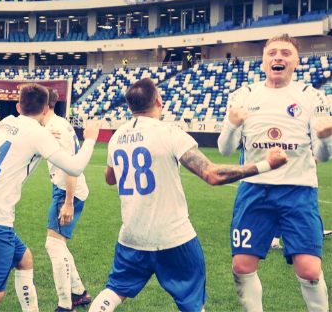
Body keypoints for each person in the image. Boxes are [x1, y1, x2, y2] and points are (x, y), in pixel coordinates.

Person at [91, 78, 289, 312]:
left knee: (114, 290)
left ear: (129, 106)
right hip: (174, 237)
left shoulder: (117, 136)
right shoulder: (169, 132)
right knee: (192, 304)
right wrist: (266, 164)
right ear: (158, 101)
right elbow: (212, 174)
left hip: (132, 235)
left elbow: (109, 178)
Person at [217, 35, 332, 312]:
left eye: (285, 53)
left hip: (299, 190)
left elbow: (324, 155)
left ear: (296, 62)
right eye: (272, 53)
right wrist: (232, 125)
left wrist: (326, 137)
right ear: (263, 61)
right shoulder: (244, 95)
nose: (278, 57)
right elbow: (225, 150)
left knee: (309, 269)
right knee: (242, 266)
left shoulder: (311, 96)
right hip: (254, 188)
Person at [0, 84, 99, 312]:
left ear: (18, 106)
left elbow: (22, 138)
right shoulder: (37, 134)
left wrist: (44, 136)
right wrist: (90, 139)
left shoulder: (5, 122)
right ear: (46, 108)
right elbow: (75, 167)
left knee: (25, 260)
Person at [43, 88, 92, 312]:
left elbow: (71, 166)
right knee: (59, 244)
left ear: (44, 106)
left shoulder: (56, 129)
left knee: (53, 245)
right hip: (65, 187)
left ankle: (65, 305)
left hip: (67, 189)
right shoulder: (58, 124)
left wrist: (68, 202)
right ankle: (79, 293)